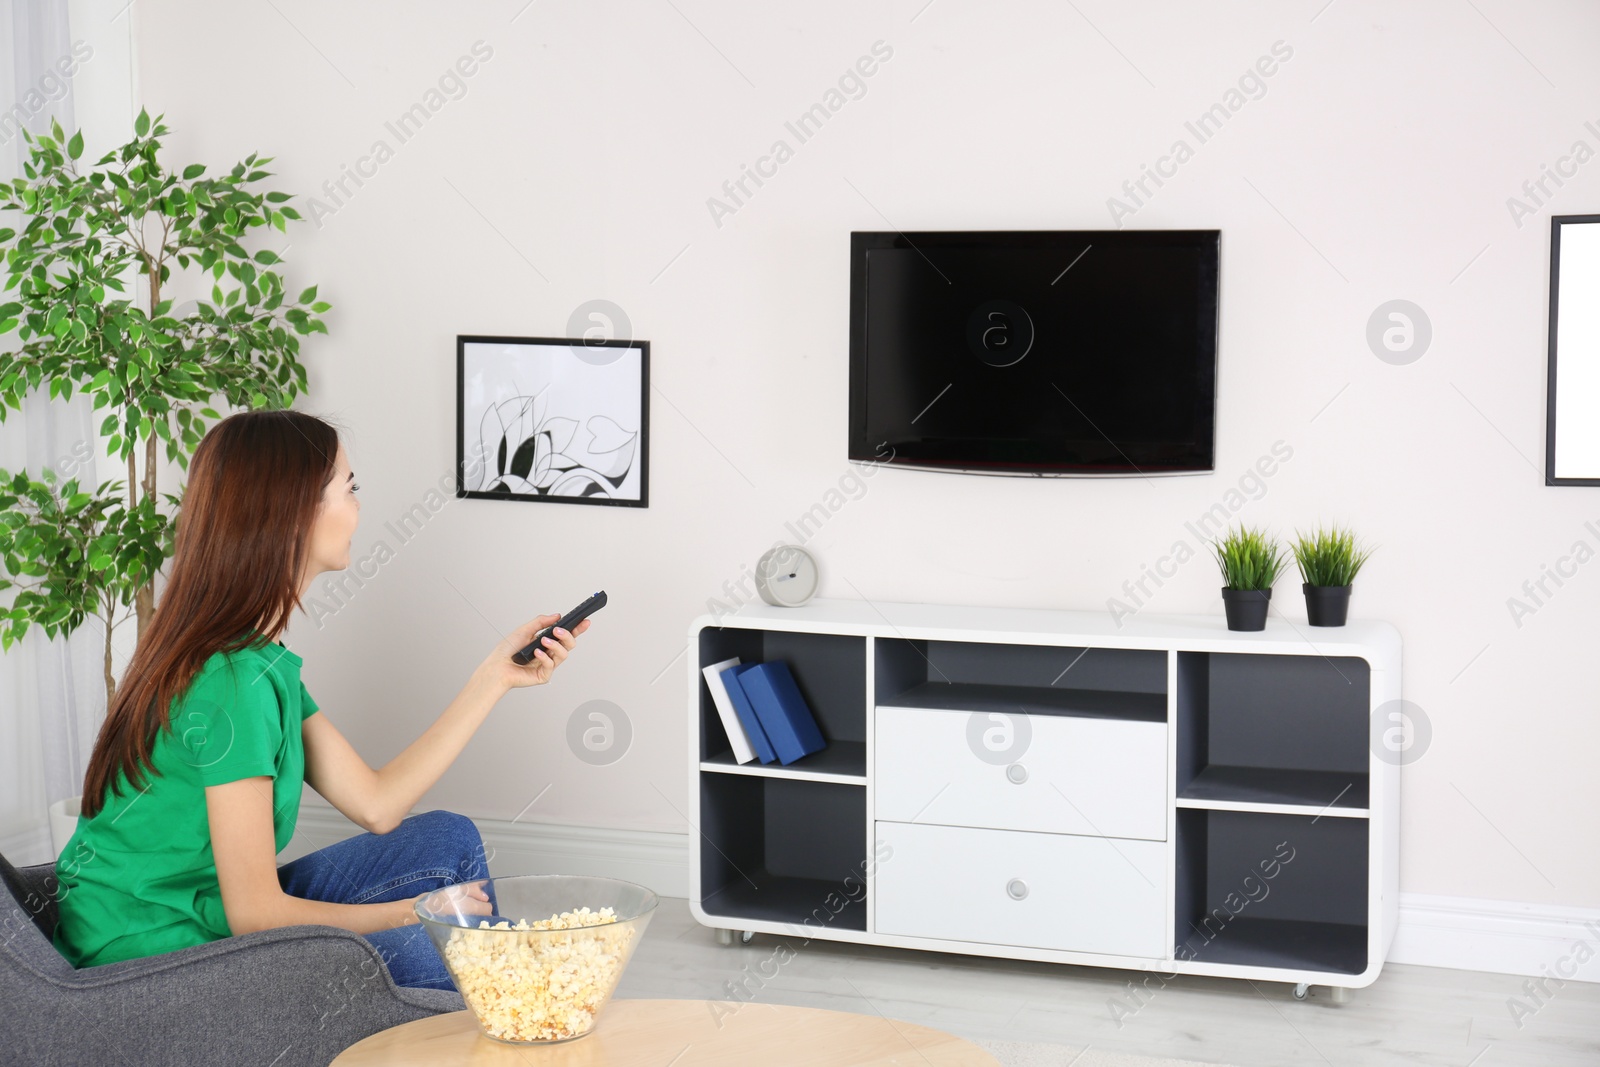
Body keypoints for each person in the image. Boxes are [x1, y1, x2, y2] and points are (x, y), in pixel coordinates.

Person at [51, 410, 587, 990]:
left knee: (447, 841)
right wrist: (413, 913)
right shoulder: (230, 682)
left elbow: (377, 804)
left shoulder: (253, 661)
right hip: (151, 962)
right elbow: (256, 915)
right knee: (452, 953)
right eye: (349, 488)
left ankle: (510, 1005)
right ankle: (517, 1008)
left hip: (207, 919)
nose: (358, 506)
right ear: (295, 511)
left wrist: (495, 678)